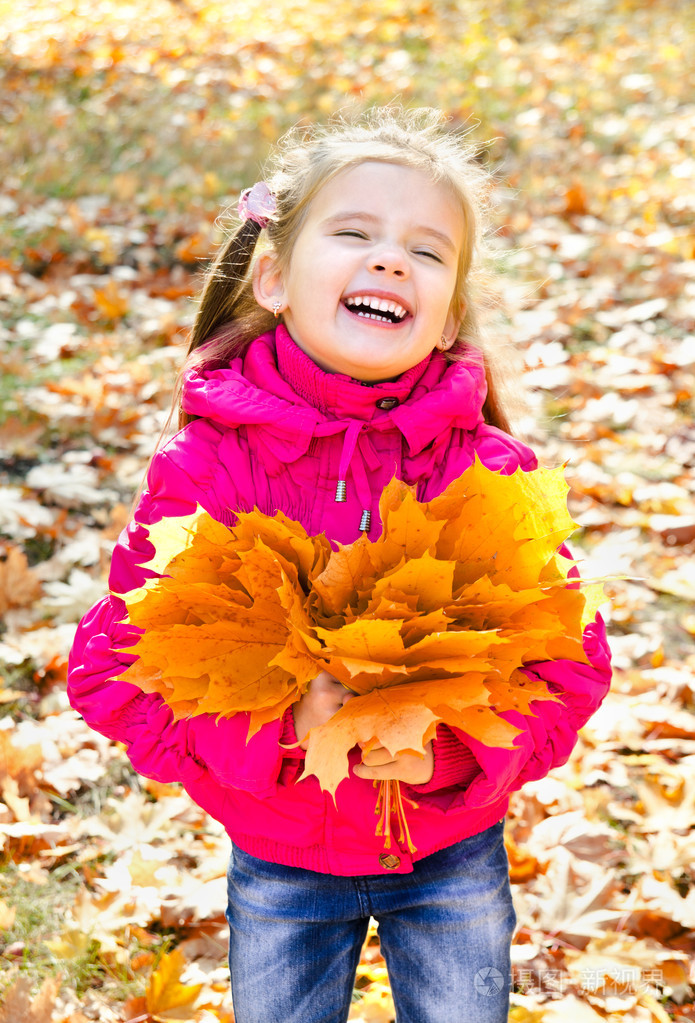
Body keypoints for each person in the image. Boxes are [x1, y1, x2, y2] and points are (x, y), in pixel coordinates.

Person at [68, 106, 611, 1023]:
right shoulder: (207, 471)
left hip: (449, 851)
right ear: (274, 275)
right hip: (282, 854)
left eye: (426, 252)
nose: (391, 260)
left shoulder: (486, 475)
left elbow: (570, 664)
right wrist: (287, 732)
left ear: (446, 319)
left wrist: (452, 751)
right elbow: (113, 675)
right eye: (354, 233)